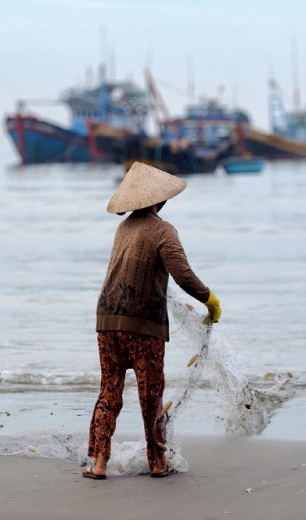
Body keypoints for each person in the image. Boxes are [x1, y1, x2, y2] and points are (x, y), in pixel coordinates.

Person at [84, 161, 221, 480]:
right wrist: (209, 299)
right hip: (143, 325)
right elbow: (183, 275)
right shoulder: (163, 230)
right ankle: (158, 462)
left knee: (109, 390)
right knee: (150, 393)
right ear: (159, 201)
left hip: (107, 319)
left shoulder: (124, 228)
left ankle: (99, 463)